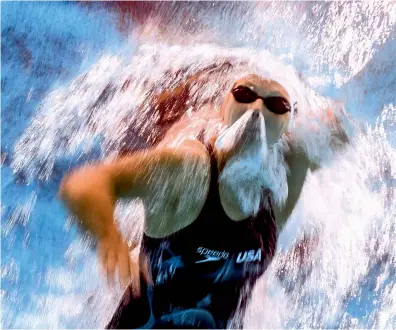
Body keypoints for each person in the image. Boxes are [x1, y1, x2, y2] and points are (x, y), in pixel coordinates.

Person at [59, 62, 349, 328]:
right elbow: (85, 183)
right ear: (223, 111)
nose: (258, 107)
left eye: (276, 104)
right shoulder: (189, 172)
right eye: (244, 94)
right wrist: (109, 235)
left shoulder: (282, 183)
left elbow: (357, 110)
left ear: (286, 126)